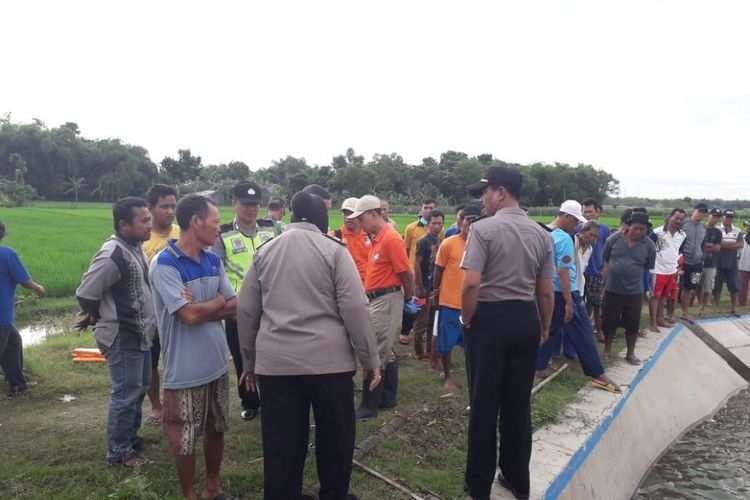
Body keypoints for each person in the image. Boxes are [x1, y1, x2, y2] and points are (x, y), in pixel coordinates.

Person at [236, 191, 381, 500]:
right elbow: (355, 308)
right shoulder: (335, 251)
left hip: (276, 366)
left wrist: (249, 363)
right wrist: (371, 359)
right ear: (321, 220)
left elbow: (247, 311)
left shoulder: (265, 253)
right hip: (330, 366)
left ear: (291, 216)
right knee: (335, 438)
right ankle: (333, 494)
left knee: (281, 444)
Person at [461, 167, 555, 500]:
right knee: (517, 407)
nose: (482, 199)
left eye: (485, 193)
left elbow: (471, 283)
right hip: (525, 320)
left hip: (490, 320)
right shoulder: (541, 234)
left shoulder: (484, 230)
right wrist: (543, 325)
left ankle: (479, 485)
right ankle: (517, 480)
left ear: (500, 192)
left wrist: (467, 319)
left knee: (484, 405)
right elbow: (545, 291)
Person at [150, 195, 237, 500]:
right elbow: (187, 316)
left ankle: (212, 487)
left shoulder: (212, 258)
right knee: (183, 439)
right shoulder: (164, 264)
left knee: (217, 428)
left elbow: (234, 306)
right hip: (184, 369)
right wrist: (215, 302)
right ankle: (190, 495)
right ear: (196, 222)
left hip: (216, 363)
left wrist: (205, 305)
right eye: (215, 222)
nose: (218, 228)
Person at [75, 197, 156, 467]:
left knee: (140, 386)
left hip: (140, 332)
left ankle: (130, 438)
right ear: (124, 224)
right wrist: (94, 313)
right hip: (123, 334)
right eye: (144, 220)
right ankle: (119, 452)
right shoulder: (113, 253)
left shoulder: (134, 247)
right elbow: (86, 292)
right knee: (125, 392)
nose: (150, 224)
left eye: (149, 219)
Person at [536, 201, 621, 392]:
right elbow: (564, 272)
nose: (576, 227)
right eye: (575, 222)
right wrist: (569, 302)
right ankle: (598, 374)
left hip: (546, 291)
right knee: (583, 332)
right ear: (566, 217)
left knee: (549, 330)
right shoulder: (564, 239)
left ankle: (538, 368)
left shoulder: (542, 233)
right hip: (566, 293)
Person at [349, 195, 417, 419]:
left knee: (376, 350)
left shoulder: (391, 239)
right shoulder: (377, 237)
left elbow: (405, 272)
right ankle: (387, 397)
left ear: (372, 214)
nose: (359, 222)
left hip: (387, 299)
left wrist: (407, 297)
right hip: (377, 299)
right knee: (384, 349)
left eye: (361, 218)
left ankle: (369, 406)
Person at [212, 181, 275, 422]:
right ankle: (250, 402)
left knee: (269, 354)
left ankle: (271, 398)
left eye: (255, 204)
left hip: (269, 306)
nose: (251, 209)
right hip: (238, 310)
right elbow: (218, 271)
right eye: (245, 204)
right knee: (242, 357)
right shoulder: (224, 234)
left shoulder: (270, 230)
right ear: (234, 204)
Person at [433, 201, 482, 389]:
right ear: (460, 221)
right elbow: (438, 270)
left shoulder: (483, 244)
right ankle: (447, 376)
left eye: (474, 222)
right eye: (467, 221)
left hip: (476, 303)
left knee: (475, 343)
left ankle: (474, 376)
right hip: (450, 302)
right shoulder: (449, 243)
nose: (469, 226)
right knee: (446, 342)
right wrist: (436, 293)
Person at [142, 184, 180, 426]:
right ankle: (156, 405)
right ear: (151, 209)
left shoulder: (182, 232)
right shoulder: (143, 240)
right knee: (151, 361)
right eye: (164, 206)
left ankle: (177, 401)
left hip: (180, 309)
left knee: (177, 358)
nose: (170, 211)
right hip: (152, 313)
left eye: (173, 206)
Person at [601, 211, 657, 364]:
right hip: (612, 289)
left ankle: (630, 353)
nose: (638, 232)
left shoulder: (649, 245)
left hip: (634, 291)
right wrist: (603, 282)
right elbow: (605, 259)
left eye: (642, 229)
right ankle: (607, 349)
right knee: (609, 321)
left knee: (633, 323)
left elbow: (648, 266)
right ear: (628, 226)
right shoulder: (613, 239)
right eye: (636, 228)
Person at [0, 220, 45, 398]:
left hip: (5, 319)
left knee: (13, 343)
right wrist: (37, 288)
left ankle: (18, 384)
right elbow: (24, 280)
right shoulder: (6, 253)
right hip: (1, 317)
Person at [402, 199, 442, 345]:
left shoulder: (440, 236)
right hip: (417, 278)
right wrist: (419, 284)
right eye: (426, 207)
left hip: (432, 281)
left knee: (428, 312)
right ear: (422, 209)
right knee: (417, 309)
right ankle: (407, 334)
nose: (428, 210)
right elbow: (406, 251)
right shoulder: (412, 228)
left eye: (431, 207)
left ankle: (424, 340)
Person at [413, 210, 444, 361]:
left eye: (439, 223)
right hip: (422, 288)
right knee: (421, 319)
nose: (436, 226)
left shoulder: (440, 241)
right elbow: (417, 264)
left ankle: (430, 350)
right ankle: (419, 351)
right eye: (433, 223)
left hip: (433, 288)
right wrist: (419, 286)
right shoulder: (423, 241)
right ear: (428, 224)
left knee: (432, 319)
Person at [648, 209, 686, 331]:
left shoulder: (682, 235)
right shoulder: (657, 232)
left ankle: (660, 318)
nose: (678, 221)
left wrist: (678, 267)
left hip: (671, 270)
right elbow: (649, 248)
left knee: (664, 295)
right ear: (670, 217)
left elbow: (679, 251)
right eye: (676, 218)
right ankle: (653, 323)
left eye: (681, 219)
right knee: (655, 296)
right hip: (657, 269)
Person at [579, 199, 611, 342]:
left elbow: (607, 250)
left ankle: (598, 330)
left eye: (589, 211)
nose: (586, 214)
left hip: (594, 271)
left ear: (597, 212)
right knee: (579, 302)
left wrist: (605, 268)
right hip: (580, 271)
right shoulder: (578, 227)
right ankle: (582, 328)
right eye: (584, 211)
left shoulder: (604, 229)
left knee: (596, 302)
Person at [329, 197, 370, 285]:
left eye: (351, 214)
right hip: (346, 287)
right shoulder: (334, 236)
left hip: (370, 288)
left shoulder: (370, 236)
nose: (348, 218)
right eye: (345, 214)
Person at [680, 203, 708, 320]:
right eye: (699, 211)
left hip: (697, 264)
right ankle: (669, 311)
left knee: (690, 288)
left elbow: (703, 246)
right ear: (694, 210)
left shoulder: (703, 228)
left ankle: (685, 312)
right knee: (675, 287)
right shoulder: (684, 224)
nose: (700, 214)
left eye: (703, 212)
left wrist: (701, 260)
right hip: (682, 262)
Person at [713, 209, 744, 316]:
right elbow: (715, 243)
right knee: (717, 286)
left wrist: (724, 244)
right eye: (727, 217)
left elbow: (741, 245)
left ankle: (733, 308)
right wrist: (731, 244)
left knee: (734, 287)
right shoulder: (716, 229)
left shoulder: (737, 230)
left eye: (731, 218)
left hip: (732, 264)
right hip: (718, 263)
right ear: (723, 217)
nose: (729, 220)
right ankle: (716, 307)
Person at [698, 208, 724, 317]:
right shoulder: (700, 228)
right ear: (709, 215)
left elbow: (717, 248)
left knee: (708, 288)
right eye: (714, 216)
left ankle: (702, 309)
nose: (715, 219)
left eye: (718, 217)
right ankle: (691, 307)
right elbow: (696, 245)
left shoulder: (718, 232)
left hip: (711, 264)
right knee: (694, 286)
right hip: (697, 262)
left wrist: (703, 247)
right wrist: (709, 245)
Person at [739, 221, 750, 307]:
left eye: (748, 226)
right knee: (742, 283)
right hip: (743, 264)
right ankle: (742, 301)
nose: (747, 227)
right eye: (746, 226)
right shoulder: (743, 237)